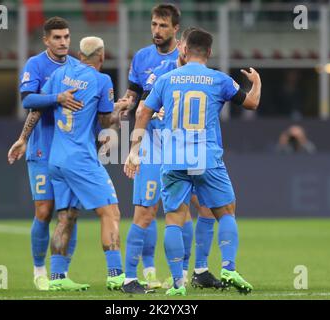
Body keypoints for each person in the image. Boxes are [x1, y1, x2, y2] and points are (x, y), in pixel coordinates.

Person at [125, 29, 261, 296]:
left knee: (174, 219)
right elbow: (252, 103)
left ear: (184, 51)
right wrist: (256, 82)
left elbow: (143, 112)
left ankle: (178, 284)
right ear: (209, 52)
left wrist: (133, 150)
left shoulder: (166, 79)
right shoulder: (219, 80)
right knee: (226, 211)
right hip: (206, 157)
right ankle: (228, 266)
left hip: (173, 157)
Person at [41, 36, 131, 291]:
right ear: (101, 57)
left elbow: (44, 101)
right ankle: (116, 275)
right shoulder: (102, 80)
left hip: (56, 157)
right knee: (111, 211)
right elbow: (104, 122)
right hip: (80, 157)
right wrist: (121, 111)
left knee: (66, 217)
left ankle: (57, 278)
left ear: (80, 55)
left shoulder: (61, 73)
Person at [7, 16, 84, 291]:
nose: (63, 42)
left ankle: (61, 274)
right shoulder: (35, 65)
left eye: (66, 37)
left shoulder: (77, 67)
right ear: (46, 40)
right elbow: (28, 100)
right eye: (57, 38)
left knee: (69, 213)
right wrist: (57, 98)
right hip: (41, 148)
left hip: (69, 151)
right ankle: (39, 270)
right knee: (44, 211)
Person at [120, 3, 181, 291]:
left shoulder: (184, 57)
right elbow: (133, 94)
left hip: (180, 145)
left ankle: (181, 276)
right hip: (150, 144)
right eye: (154, 24)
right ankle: (130, 278)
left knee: (182, 211)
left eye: (163, 26)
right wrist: (125, 103)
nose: (157, 30)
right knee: (145, 210)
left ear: (175, 29)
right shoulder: (142, 57)